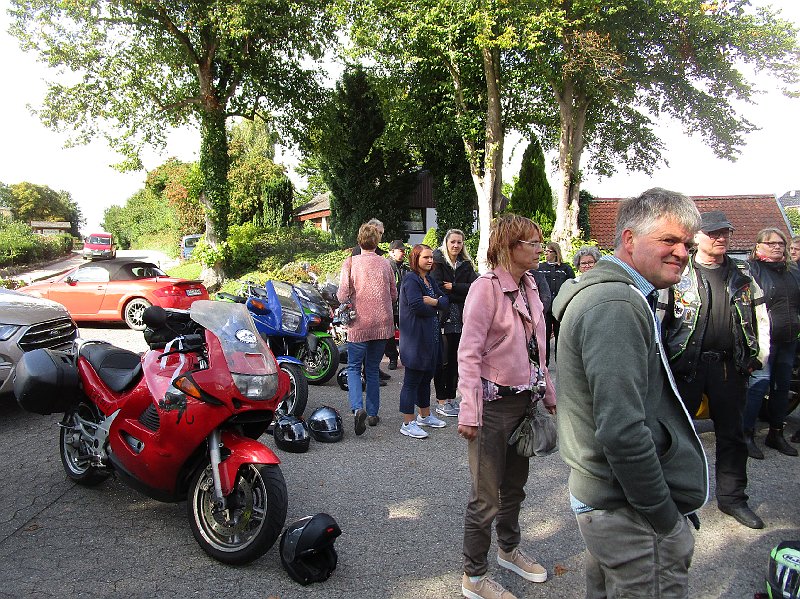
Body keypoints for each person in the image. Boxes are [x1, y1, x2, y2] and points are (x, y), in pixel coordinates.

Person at [552, 188, 708, 598]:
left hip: (614, 504)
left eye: (688, 244)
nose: (682, 252)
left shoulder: (619, 296)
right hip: (627, 511)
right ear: (629, 240)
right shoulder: (617, 304)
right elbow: (621, 430)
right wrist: (665, 519)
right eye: (669, 240)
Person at [457, 214, 556, 599]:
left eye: (539, 241)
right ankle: (474, 578)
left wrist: (546, 387)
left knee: (515, 488)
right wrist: (468, 407)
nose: (539, 248)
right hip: (492, 407)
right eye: (531, 242)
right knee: (486, 498)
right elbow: (468, 353)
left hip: (523, 403)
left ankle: (509, 551)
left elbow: (537, 345)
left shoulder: (531, 283)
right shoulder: (486, 288)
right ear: (508, 247)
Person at [660, 210, 769, 529]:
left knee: (732, 436)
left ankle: (733, 499)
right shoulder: (677, 273)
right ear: (696, 237)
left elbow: (761, 320)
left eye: (725, 232)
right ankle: (675, 499)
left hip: (729, 368)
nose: (720, 237)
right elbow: (661, 320)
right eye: (713, 233)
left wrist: (756, 359)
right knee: (677, 435)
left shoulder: (744, 276)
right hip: (687, 367)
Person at [742, 227, 800, 457]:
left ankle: (776, 433)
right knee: (758, 385)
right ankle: (745, 435)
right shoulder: (751, 271)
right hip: (763, 340)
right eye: (771, 243)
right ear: (758, 246)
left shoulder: (793, 272)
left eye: (781, 244)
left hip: (788, 339)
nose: (777, 247)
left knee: (781, 388)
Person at [337, 223, 397, 434]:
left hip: (359, 324)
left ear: (359, 240)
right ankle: (372, 413)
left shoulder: (351, 263)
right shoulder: (385, 264)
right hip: (381, 323)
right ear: (377, 241)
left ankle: (357, 409)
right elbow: (394, 294)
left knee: (354, 367)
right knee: (372, 368)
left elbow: (342, 295)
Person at [398, 244, 450, 439]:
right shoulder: (411, 280)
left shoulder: (428, 279)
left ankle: (424, 416)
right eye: (425, 257)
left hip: (431, 337)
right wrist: (436, 305)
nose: (430, 260)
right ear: (415, 259)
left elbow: (445, 300)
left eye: (431, 257)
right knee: (412, 381)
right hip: (415, 339)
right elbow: (417, 305)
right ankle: (408, 422)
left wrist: (435, 302)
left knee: (426, 378)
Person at [431, 229, 478, 418]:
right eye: (453, 242)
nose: (456, 246)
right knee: (442, 360)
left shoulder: (466, 264)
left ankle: (451, 398)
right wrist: (455, 292)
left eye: (459, 242)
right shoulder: (438, 262)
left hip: (461, 318)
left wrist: (455, 287)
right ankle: (441, 400)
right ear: (446, 243)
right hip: (443, 318)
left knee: (456, 360)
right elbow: (438, 289)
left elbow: (475, 287)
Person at [537, 241, 574, 365]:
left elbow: (571, 287)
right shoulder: (540, 268)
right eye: (545, 251)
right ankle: (544, 365)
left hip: (560, 308)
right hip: (545, 308)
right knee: (544, 336)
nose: (545, 253)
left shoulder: (565, 269)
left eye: (548, 251)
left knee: (561, 338)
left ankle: (562, 365)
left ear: (555, 252)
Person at [385, 240, 409, 370]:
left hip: (403, 306)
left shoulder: (406, 268)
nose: (403, 253)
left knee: (406, 333)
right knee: (389, 335)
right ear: (392, 252)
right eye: (401, 250)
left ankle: (405, 357)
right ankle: (393, 358)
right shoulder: (386, 266)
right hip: (390, 306)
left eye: (404, 250)